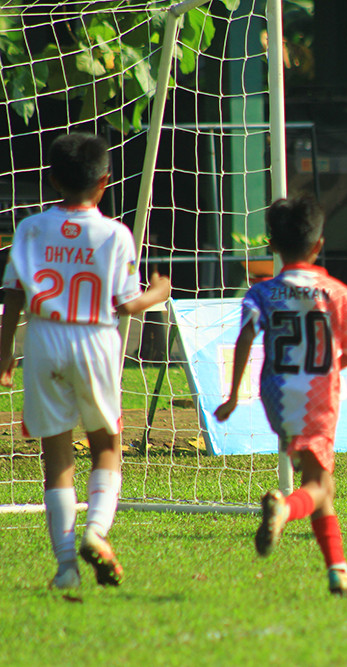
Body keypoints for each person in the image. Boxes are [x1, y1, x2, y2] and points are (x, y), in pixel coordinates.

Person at [0, 132, 170, 590]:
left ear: (52, 178)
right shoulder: (114, 234)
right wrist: (159, 292)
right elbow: (126, 304)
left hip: (43, 338)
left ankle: (65, 569)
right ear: (105, 182)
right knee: (106, 445)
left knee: (56, 457)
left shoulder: (30, 228)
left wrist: (4, 355)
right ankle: (95, 532)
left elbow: (13, 295)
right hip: (95, 339)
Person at [215, 196, 347, 596]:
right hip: (317, 397)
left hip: (277, 397)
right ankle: (283, 508)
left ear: (272, 245)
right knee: (318, 487)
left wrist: (233, 396)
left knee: (323, 487)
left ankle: (338, 570)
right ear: (318, 246)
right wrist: (327, 373)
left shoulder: (262, 292)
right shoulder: (337, 293)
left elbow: (246, 334)